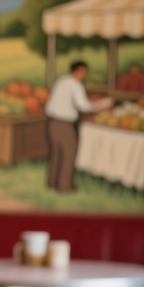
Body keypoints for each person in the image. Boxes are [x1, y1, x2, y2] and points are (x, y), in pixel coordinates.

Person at [44, 60, 113, 193]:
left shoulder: (61, 80)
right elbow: (84, 106)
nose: (85, 75)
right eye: (84, 72)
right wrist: (104, 103)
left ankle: (51, 182)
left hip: (52, 122)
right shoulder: (76, 85)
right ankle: (65, 186)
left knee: (56, 153)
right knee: (69, 154)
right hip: (65, 124)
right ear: (78, 71)